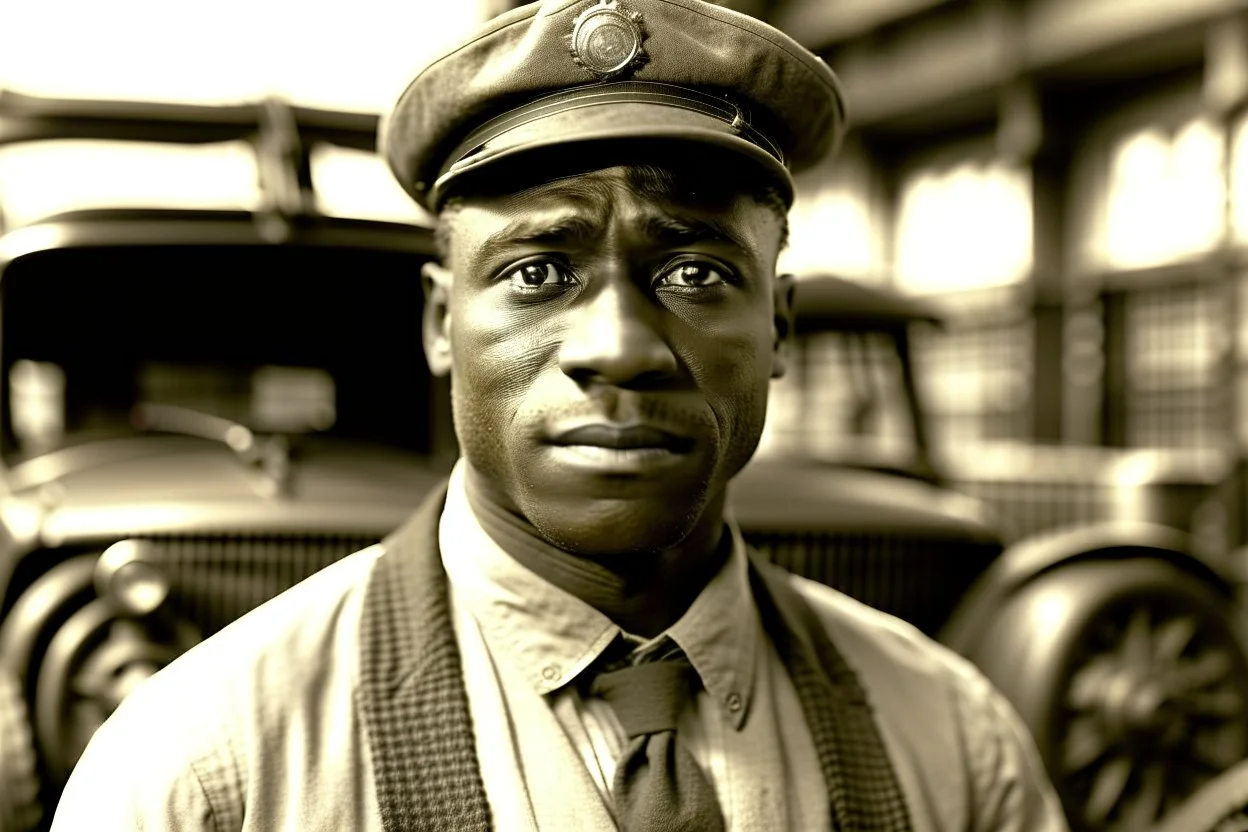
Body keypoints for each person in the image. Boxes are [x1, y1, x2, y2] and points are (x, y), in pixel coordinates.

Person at [53, 0, 1069, 829]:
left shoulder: (956, 746)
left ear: (780, 326)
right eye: (539, 270)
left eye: (697, 270)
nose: (620, 344)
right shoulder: (203, 772)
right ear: (443, 322)